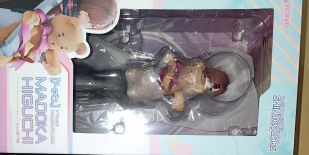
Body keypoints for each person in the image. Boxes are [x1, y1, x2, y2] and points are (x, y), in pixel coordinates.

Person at [74, 47, 229, 113]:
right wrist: (169, 64)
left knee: (101, 95)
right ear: (197, 66)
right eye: (195, 74)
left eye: (198, 85)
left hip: (133, 93)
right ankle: (78, 69)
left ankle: (79, 96)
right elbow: (166, 56)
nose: (191, 79)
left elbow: (176, 107)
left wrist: (179, 101)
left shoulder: (179, 92)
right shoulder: (178, 65)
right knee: (99, 76)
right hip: (131, 74)